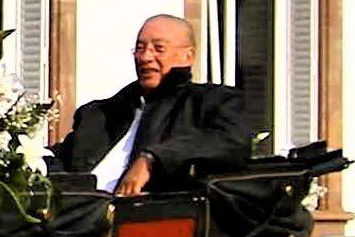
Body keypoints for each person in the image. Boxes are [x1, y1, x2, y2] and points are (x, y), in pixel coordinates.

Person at [52, 15, 254, 195]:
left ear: (188, 56)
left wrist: (153, 158)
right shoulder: (102, 114)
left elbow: (231, 141)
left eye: (158, 49)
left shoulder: (211, 102)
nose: (145, 57)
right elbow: (60, 159)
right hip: (74, 210)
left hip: (142, 216)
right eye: (140, 48)